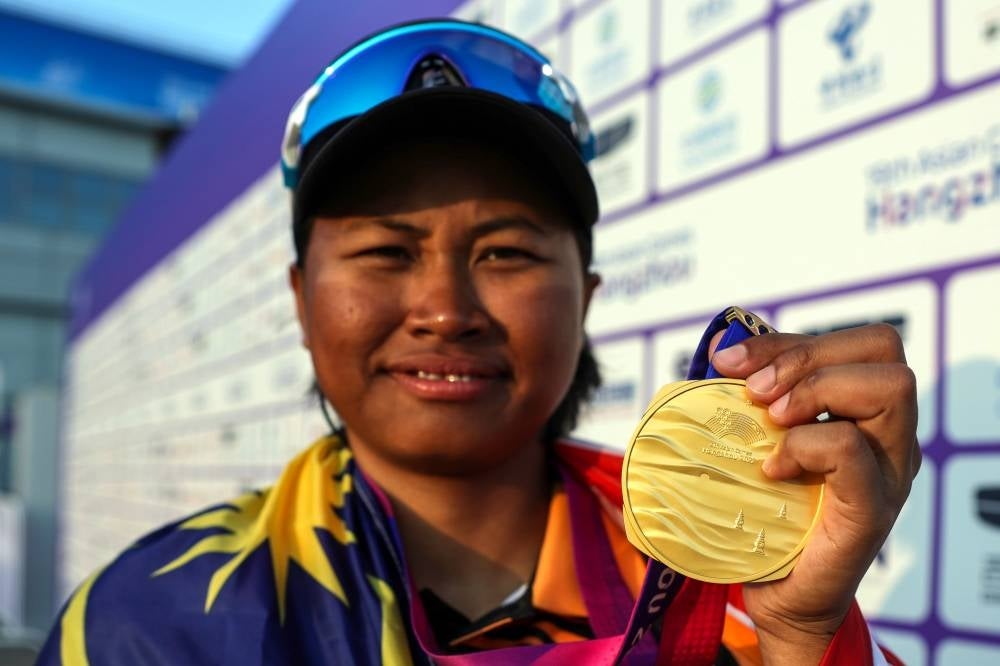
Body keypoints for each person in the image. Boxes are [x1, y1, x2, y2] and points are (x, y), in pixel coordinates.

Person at [40, 19, 918, 665]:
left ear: (585, 299)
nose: (444, 309)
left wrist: (803, 637)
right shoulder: (151, 625)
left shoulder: (737, 588)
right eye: (386, 252)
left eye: (505, 253)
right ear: (303, 302)